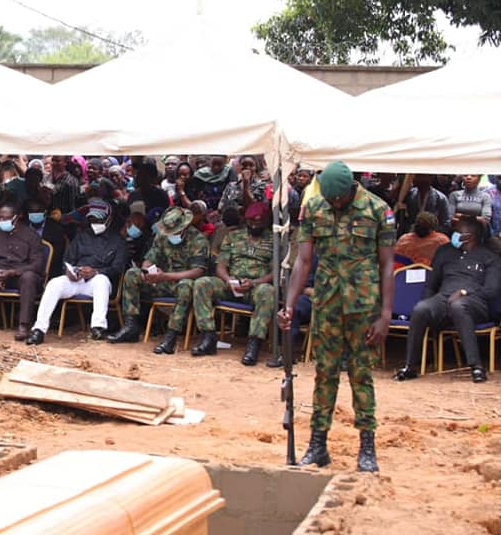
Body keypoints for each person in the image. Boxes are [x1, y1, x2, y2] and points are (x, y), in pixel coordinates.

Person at [278, 160, 395, 473]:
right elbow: (303, 262)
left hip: (364, 307)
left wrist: (385, 314)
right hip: (327, 305)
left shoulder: (377, 209)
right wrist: (289, 304)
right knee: (324, 373)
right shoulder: (313, 207)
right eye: (331, 200)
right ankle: (318, 444)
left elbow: (387, 265)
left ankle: (367, 446)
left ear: (351, 189)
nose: (335, 204)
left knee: (361, 375)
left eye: (339, 199)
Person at [394, 218, 499, 384]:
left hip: (475, 302)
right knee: (421, 308)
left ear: (469, 236)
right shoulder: (444, 252)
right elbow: (431, 284)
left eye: (457, 232)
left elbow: (491, 289)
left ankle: (476, 366)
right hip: (443, 298)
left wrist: (465, 292)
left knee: (458, 305)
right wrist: (428, 306)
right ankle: (410, 367)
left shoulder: (489, 257)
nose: (452, 235)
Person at [27, 198, 128, 344]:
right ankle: (39, 330)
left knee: (101, 281)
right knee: (54, 284)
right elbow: (67, 259)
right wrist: (69, 271)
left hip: (97, 282)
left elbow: (117, 268)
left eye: (98, 220)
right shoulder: (82, 236)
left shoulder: (118, 241)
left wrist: (96, 272)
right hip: (76, 279)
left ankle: (98, 328)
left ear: (109, 219)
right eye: (92, 219)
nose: (94, 223)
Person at [108, 207, 208, 354]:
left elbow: (198, 271)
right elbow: (150, 258)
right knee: (132, 274)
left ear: (185, 227)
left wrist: (165, 276)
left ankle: (171, 335)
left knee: (185, 286)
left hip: (183, 283)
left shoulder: (198, 240)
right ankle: (131, 326)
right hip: (161, 281)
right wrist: (146, 271)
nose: (170, 234)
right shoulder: (162, 236)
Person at [191, 202, 275, 365]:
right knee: (202, 283)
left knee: (268, 291)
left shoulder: (274, 240)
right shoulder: (233, 236)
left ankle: (254, 343)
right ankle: (208, 336)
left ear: (265, 222)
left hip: (255, 287)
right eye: (251, 222)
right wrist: (229, 280)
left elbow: (275, 273)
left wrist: (253, 283)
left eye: (258, 222)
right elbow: (220, 266)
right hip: (231, 284)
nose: (254, 225)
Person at [0, 203, 46, 341]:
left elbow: (37, 264)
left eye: (6, 218)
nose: (2, 221)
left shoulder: (31, 236)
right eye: (0, 218)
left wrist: (13, 272)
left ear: (16, 218)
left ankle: (24, 326)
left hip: (20, 276)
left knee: (29, 278)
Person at [25, 197, 66, 278]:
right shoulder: (22, 227)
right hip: (23, 267)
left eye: (38, 211)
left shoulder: (56, 229)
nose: (35, 214)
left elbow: (57, 255)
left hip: (48, 270)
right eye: (32, 212)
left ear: (45, 212)